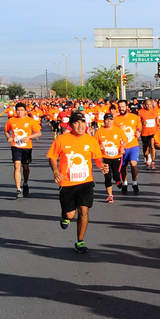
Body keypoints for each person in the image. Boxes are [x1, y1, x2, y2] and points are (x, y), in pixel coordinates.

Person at [47, 112, 107, 254]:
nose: (80, 126)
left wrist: (102, 166)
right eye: (76, 123)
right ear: (71, 125)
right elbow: (52, 156)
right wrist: (55, 171)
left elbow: (97, 157)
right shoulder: (62, 139)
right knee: (70, 215)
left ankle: (80, 241)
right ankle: (65, 216)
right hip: (67, 183)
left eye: (82, 122)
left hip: (86, 182)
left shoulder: (90, 140)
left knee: (84, 211)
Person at [4, 102, 42, 198]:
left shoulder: (30, 120)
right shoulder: (11, 120)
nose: (20, 112)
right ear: (15, 111)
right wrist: (8, 137)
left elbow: (38, 133)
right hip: (15, 146)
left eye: (21, 110)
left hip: (27, 147)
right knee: (16, 166)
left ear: (25, 111)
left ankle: (25, 183)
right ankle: (18, 189)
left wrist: (28, 137)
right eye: (18, 110)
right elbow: (6, 131)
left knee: (25, 167)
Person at [95, 113, 125, 204]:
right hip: (105, 157)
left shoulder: (118, 130)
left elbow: (124, 140)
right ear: (104, 121)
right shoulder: (100, 131)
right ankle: (110, 195)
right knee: (107, 176)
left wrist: (122, 147)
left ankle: (118, 181)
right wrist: (99, 146)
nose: (109, 121)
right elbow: (94, 143)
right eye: (107, 120)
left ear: (113, 120)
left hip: (117, 156)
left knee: (116, 175)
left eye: (110, 120)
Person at [114, 100, 143, 193]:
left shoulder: (134, 117)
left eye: (123, 107)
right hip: (121, 147)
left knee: (133, 164)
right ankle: (125, 183)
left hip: (133, 145)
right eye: (119, 107)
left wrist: (139, 131)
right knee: (123, 166)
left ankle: (135, 182)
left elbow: (139, 127)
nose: (121, 109)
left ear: (127, 107)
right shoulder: (115, 119)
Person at [138, 99, 159, 170]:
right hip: (144, 133)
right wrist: (142, 124)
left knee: (152, 146)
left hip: (153, 132)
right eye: (147, 104)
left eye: (149, 104)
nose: (148, 106)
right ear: (144, 105)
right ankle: (148, 157)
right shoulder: (141, 112)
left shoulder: (155, 111)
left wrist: (158, 129)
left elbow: (157, 122)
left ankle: (153, 162)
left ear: (152, 104)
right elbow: (138, 122)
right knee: (146, 148)